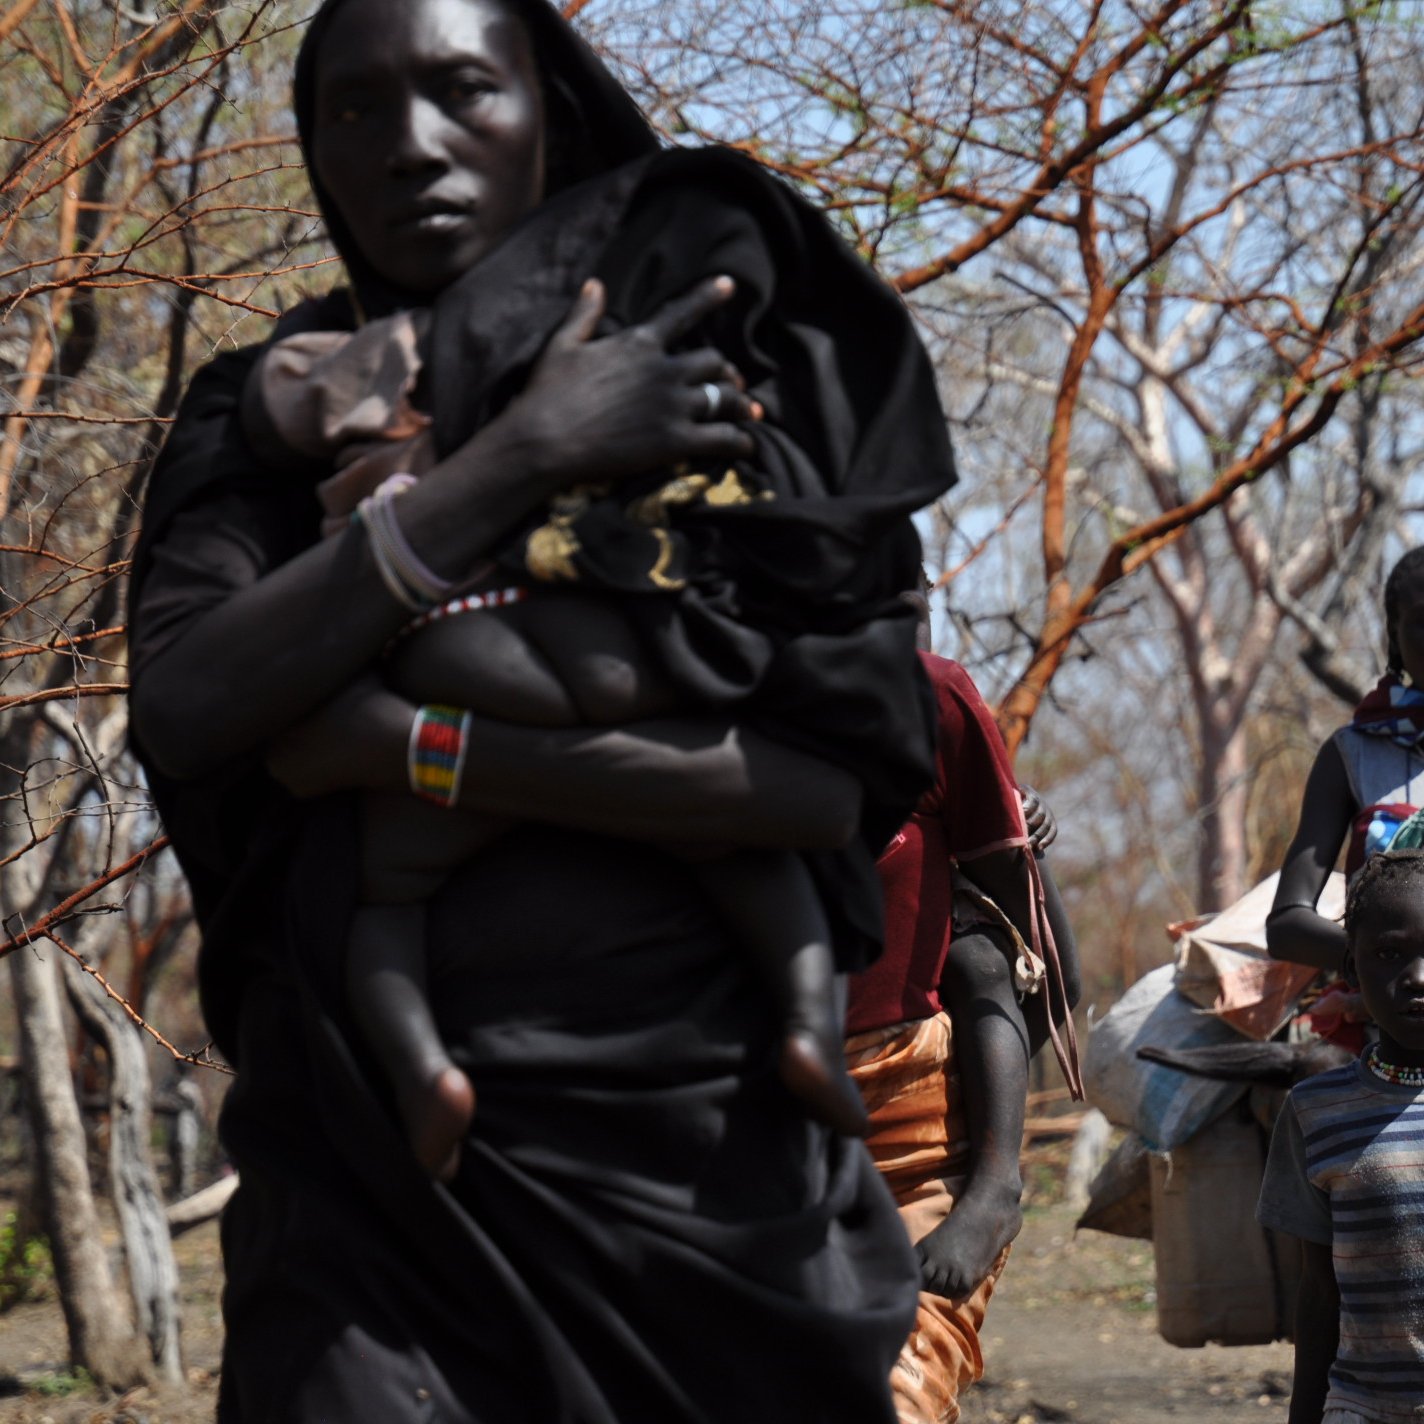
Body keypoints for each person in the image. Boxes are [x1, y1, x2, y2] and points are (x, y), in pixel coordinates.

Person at [125, 0, 958, 1417]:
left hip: (711, 1192)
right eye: (354, 108)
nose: (410, 145)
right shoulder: (273, 411)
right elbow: (189, 703)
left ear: (547, 112)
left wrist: (417, 750)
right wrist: (516, 458)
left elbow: (821, 780)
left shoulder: (712, 366)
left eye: (463, 89)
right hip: (372, 1209)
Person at [239, 302, 868, 1177]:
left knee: (387, 899)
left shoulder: (383, 355)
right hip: (598, 630)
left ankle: (424, 1074)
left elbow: (274, 399)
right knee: (739, 844)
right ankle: (810, 1029)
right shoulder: (577, 342)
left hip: (452, 643)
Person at [845, 615, 1081, 1424]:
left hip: (919, 1128)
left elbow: (1051, 970)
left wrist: (982, 1132)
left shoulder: (933, 700)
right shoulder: (710, 714)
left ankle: (995, 1188)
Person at [1257, 849, 1424, 1424]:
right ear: (1352, 969)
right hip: (1363, 1407)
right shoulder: (1316, 1111)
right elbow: (1319, 1291)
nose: (1417, 977)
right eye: (1390, 954)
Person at [1269, 548, 1424, 987]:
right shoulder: (1351, 755)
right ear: (1394, 635)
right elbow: (1286, 924)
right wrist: (1383, 959)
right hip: (1390, 1010)